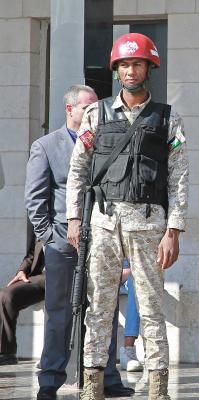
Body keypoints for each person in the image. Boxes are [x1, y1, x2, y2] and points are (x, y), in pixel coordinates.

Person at [66, 33, 189, 400]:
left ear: (149, 68)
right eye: (124, 65)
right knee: (98, 307)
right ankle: (92, 388)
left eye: (137, 64)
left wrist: (174, 230)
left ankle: (158, 390)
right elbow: (78, 170)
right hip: (103, 223)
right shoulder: (96, 114)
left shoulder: (168, 118)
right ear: (116, 70)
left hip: (149, 224)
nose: (130, 71)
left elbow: (179, 177)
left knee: (151, 309)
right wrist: (74, 219)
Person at [26, 84, 134, 399]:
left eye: (96, 107)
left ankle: (105, 378)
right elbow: (35, 200)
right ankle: (49, 381)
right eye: (87, 107)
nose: (93, 112)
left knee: (104, 309)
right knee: (59, 313)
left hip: (103, 239)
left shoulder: (106, 143)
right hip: (63, 241)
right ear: (69, 109)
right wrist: (51, 238)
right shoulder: (46, 146)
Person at [0, 231, 44, 365]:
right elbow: (31, 252)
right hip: (40, 276)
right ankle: (6, 352)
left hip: (64, 273)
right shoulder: (37, 219)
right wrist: (22, 270)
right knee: (5, 295)